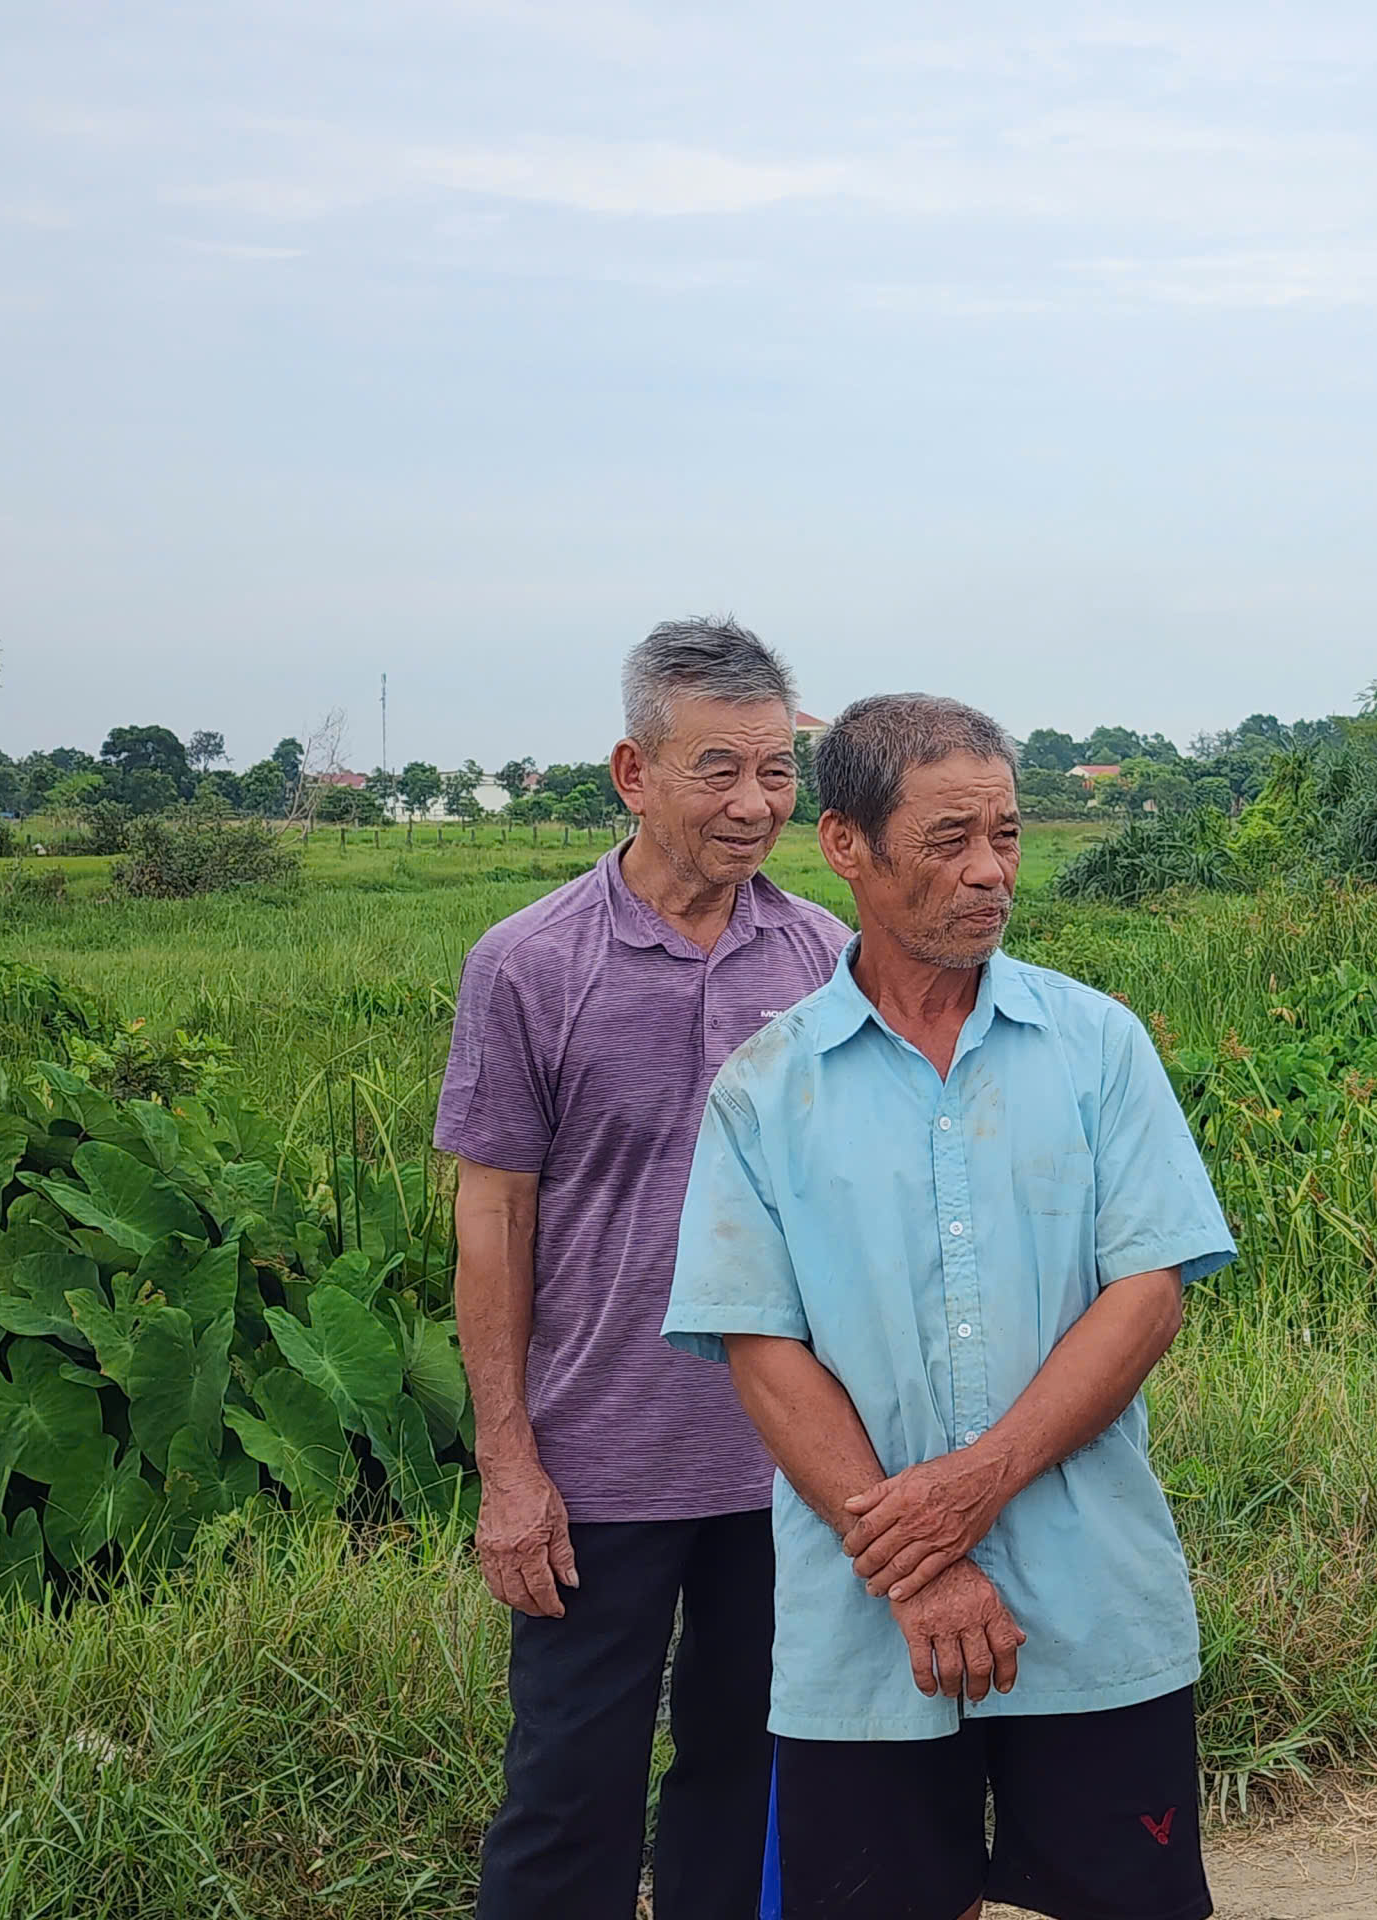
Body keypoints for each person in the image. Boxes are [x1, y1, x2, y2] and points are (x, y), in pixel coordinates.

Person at [661, 693, 1236, 1920]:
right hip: (862, 1634)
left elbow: (1145, 1294)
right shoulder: (766, 1091)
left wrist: (976, 1481)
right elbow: (763, 1350)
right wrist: (919, 1571)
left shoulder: (1097, 1047)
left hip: (1091, 1608)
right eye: (948, 841)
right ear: (847, 846)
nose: (989, 874)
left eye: (1009, 836)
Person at [437, 617, 849, 1920]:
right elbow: (492, 1221)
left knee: (751, 1775)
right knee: (569, 1795)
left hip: (786, 1464)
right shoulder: (529, 963)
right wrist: (509, 1465)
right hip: (597, 1470)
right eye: (719, 770)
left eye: (779, 772)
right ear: (633, 772)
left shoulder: (825, 962)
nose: (756, 804)